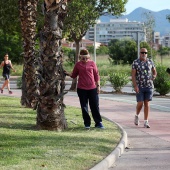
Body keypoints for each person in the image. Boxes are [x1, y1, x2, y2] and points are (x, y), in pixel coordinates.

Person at [65, 49, 104, 129]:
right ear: (80, 58)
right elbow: (74, 75)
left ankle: (98, 123)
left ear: (88, 57)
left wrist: (98, 86)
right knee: (84, 107)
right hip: (82, 89)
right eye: (83, 58)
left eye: (86, 58)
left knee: (95, 106)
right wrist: (67, 73)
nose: (85, 60)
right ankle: (87, 123)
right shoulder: (78, 65)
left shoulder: (92, 63)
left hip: (92, 88)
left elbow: (96, 75)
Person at [131, 48, 157, 128]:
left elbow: (154, 71)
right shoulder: (136, 62)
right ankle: (137, 115)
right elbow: (133, 75)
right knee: (140, 103)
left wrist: (154, 76)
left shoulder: (150, 61)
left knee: (147, 103)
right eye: (142, 52)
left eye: (145, 52)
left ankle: (146, 121)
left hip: (149, 86)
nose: (144, 54)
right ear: (140, 53)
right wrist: (135, 86)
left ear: (147, 53)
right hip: (140, 86)